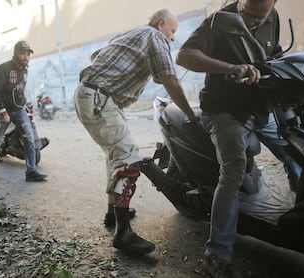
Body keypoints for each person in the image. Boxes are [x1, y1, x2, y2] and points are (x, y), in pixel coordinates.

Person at [74, 8, 198, 255]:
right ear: (161, 24)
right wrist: (190, 115)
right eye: (172, 31)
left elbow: (96, 55)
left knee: (116, 158)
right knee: (129, 159)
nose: (172, 38)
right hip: (100, 99)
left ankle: (113, 213)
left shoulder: (131, 34)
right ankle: (123, 233)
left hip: (91, 95)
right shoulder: (155, 36)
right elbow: (169, 78)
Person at [176, 0, 280, 277]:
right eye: (248, 15)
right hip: (223, 110)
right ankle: (217, 256)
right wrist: (230, 68)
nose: (253, 23)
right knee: (232, 172)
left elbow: (275, 54)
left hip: (260, 109)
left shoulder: (273, 17)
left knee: (297, 147)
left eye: (261, 17)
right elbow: (184, 56)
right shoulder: (218, 20)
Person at [0, 40, 48, 182]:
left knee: (29, 138)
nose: (26, 57)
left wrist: (24, 105)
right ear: (15, 53)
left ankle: (31, 171)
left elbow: (18, 91)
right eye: (23, 53)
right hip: (3, 111)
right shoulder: (4, 69)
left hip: (19, 110)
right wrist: (2, 111)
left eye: (28, 54)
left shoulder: (24, 70)